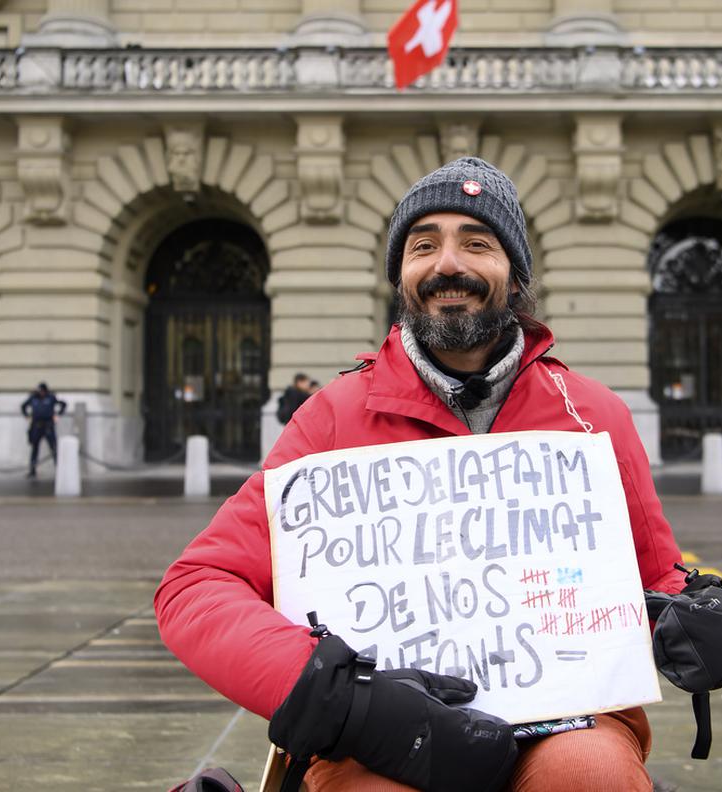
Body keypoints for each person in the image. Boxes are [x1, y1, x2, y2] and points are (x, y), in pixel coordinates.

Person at [155, 158, 688, 791]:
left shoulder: (593, 414)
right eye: (424, 245)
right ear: (402, 277)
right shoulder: (331, 418)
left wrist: (701, 621)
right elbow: (197, 586)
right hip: (382, 730)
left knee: (589, 773)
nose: (448, 264)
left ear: (515, 275)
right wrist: (340, 695)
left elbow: (657, 579)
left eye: (477, 243)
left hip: (567, 718)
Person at [20, 382, 67, 478]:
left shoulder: (51, 397)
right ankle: (32, 470)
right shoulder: (33, 397)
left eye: (42, 391)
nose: (41, 392)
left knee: (53, 447)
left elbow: (63, 404)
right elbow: (23, 406)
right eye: (40, 391)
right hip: (37, 426)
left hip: (48, 426)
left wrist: (58, 414)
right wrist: (27, 416)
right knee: (34, 448)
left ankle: (59, 469)